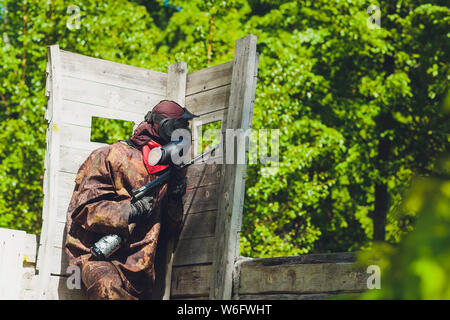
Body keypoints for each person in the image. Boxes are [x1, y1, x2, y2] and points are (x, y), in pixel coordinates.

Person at [64, 100, 197, 300]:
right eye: (180, 129)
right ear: (166, 128)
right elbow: (83, 209)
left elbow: (170, 231)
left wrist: (174, 199)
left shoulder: (169, 170)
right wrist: (130, 211)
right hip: (96, 256)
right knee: (107, 287)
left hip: (139, 271)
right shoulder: (110, 156)